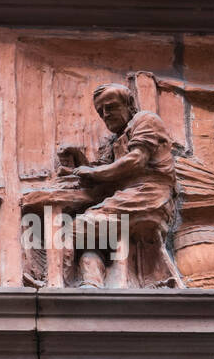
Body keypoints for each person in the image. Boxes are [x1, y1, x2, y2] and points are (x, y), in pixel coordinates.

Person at [69, 83, 181, 288]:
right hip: (127, 198)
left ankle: (87, 279)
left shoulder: (146, 121)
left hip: (149, 196)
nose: (105, 115)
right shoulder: (115, 140)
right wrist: (78, 163)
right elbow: (104, 172)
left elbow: (136, 160)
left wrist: (93, 173)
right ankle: (92, 281)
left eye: (110, 107)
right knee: (85, 231)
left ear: (129, 104)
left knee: (76, 229)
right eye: (101, 111)